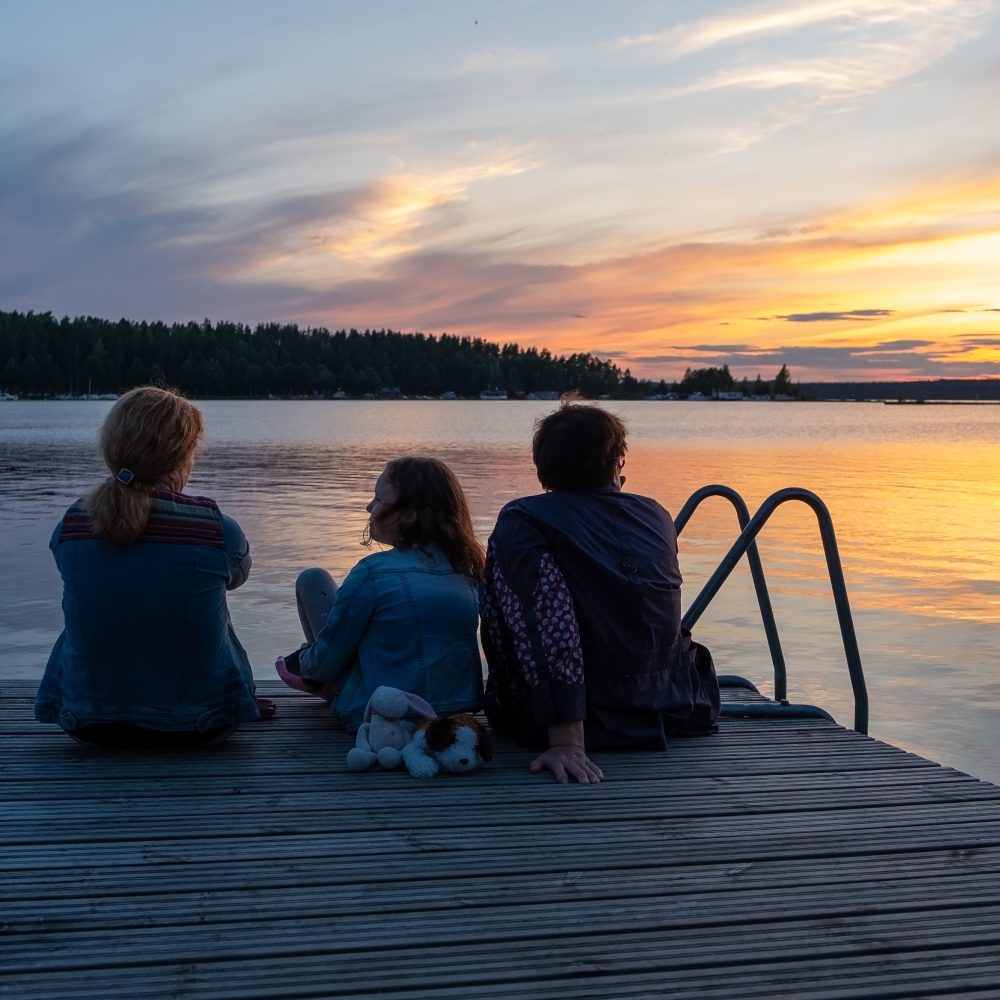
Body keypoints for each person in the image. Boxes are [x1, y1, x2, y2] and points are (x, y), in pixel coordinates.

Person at [481, 399, 720, 783]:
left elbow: (546, 624)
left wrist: (567, 742)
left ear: (543, 468)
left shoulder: (523, 519)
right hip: (675, 705)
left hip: (588, 720)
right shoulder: (654, 513)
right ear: (615, 464)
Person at [35, 386, 263, 749]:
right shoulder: (214, 528)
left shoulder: (72, 524)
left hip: (88, 725)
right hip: (200, 726)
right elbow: (240, 574)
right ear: (180, 459)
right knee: (208, 595)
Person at [276, 456, 485, 731]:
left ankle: (330, 684)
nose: (368, 507)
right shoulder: (471, 571)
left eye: (378, 500)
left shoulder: (372, 573)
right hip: (456, 711)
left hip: (381, 712)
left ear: (409, 515)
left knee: (313, 580)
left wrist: (301, 661)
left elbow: (324, 663)